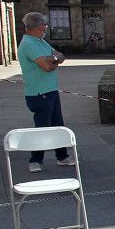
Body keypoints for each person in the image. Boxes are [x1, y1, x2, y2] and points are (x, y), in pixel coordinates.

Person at [17, 12, 74, 173]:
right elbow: (47, 67)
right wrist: (53, 60)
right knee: (42, 127)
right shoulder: (29, 43)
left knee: (57, 124)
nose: (47, 28)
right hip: (38, 93)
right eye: (45, 25)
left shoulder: (40, 42)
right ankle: (35, 160)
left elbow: (60, 56)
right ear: (40, 26)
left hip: (50, 90)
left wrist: (53, 59)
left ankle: (62, 156)